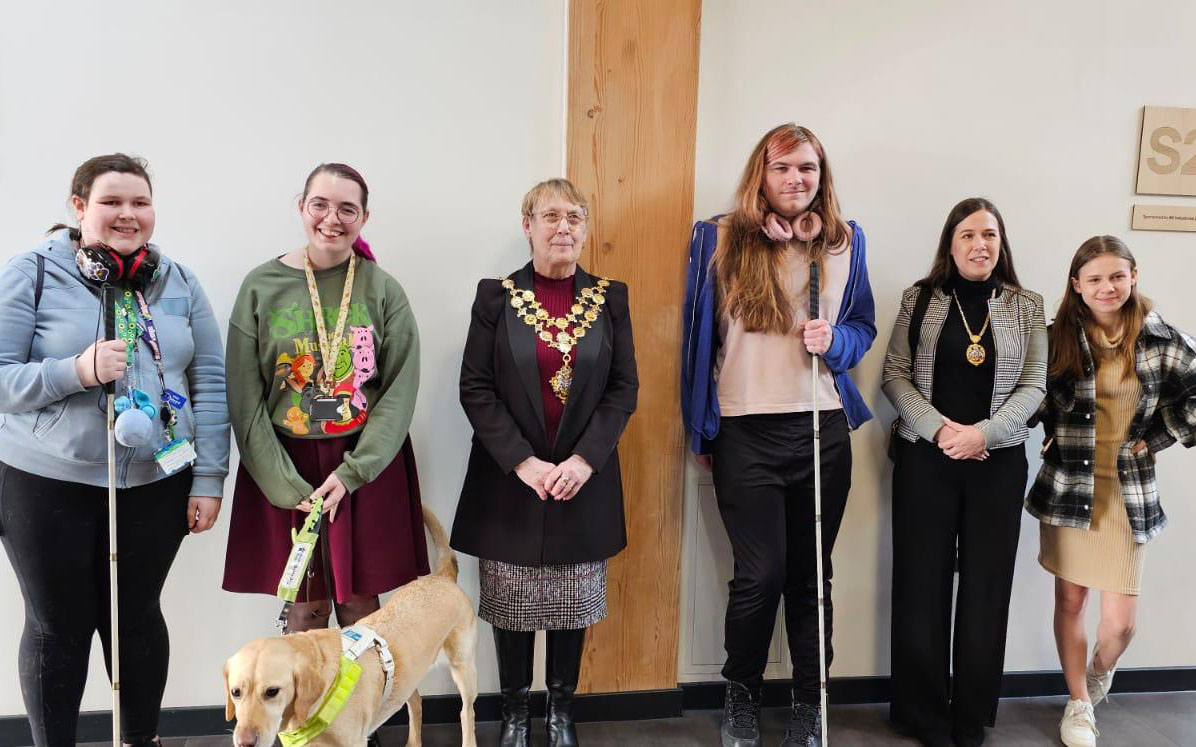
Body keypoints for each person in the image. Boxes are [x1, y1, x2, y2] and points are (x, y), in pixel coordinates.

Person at [0, 153, 230, 747]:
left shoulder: (177, 280)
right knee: (58, 627)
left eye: (140, 202)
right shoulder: (32, 273)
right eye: (111, 201)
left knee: (136, 619)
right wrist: (74, 371)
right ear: (79, 208)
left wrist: (208, 478)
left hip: (156, 483)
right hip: (46, 483)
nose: (128, 214)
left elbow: (209, 378)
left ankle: (139, 740)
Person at [681, 123, 877, 747]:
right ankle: (741, 696)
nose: (797, 180)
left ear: (823, 177)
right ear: (760, 176)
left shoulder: (847, 243)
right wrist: (702, 434)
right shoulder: (715, 239)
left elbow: (864, 327)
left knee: (809, 575)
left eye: (808, 169)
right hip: (745, 430)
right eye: (783, 167)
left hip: (821, 429)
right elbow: (697, 341)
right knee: (758, 575)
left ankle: (808, 704)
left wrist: (837, 341)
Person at [450, 178, 638, 747]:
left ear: (585, 228)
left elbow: (623, 388)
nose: (564, 227)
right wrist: (522, 462)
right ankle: (512, 714)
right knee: (510, 605)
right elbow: (475, 387)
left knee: (572, 602)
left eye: (575, 217)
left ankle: (560, 714)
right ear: (527, 225)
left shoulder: (611, 296)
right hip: (509, 483)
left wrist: (586, 460)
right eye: (550, 215)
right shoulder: (496, 296)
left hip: (585, 481)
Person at [222, 163, 428, 636]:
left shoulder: (382, 289)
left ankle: (368, 710)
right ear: (302, 206)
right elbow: (245, 396)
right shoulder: (260, 286)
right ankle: (307, 712)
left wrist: (355, 471)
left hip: (364, 462)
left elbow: (399, 389)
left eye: (346, 209)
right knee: (305, 607)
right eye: (320, 205)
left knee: (362, 605)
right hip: (284, 463)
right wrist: (281, 484)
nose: (331, 219)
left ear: (364, 217)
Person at [881, 198, 1046, 746]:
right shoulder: (919, 299)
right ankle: (921, 713)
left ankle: (970, 715)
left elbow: (1035, 386)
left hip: (997, 466)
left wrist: (985, 434)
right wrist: (942, 431)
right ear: (950, 244)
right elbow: (895, 376)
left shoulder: (1027, 304)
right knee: (921, 584)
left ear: (1002, 244)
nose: (981, 245)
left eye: (990, 235)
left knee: (986, 587)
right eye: (969, 235)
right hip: (926, 461)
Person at [1027, 236, 1196, 747]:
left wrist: (1158, 439)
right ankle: (1078, 703)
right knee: (1071, 599)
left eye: (1117, 276)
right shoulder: (1056, 338)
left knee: (1120, 625)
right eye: (1095, 278)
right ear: (1076, 284)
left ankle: (1099, 671)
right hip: (1067, 486)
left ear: (1134, 276)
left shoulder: (1160, 338)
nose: (1107, 287)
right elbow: (1027, 397)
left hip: (1126, 493)